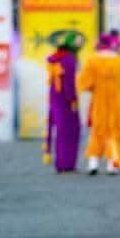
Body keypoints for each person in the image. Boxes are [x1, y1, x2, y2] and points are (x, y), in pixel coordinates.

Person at [77, 31, 120, 174]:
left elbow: (84, 83)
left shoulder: (92, 60)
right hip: (118, 101)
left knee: (97, 130)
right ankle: (113, 165)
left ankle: (93, 163)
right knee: (115, 131)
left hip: (99, 101)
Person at [45, 32, 82, 174]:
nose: (80, 44)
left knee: (61, 132)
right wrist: (72, 100)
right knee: (70, 132)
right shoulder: (69, 59)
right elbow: (69, 83)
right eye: (77, 42)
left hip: (55, 98)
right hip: (66, 101)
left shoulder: (56, 58)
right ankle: (67, 164)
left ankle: (61, 163)